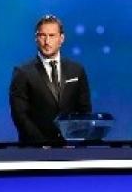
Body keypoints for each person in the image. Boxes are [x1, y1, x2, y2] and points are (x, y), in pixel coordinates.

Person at [9, 14, 92, 143]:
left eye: (52, 35)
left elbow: (84, 111)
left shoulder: (76, 70)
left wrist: (74, 141)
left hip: (71, 147)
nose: (47, 41)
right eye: (42, 35)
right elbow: (20, 116)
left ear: (61, 38)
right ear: (36, 38)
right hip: (35, 148)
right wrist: (43, 145)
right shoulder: (22, 73)